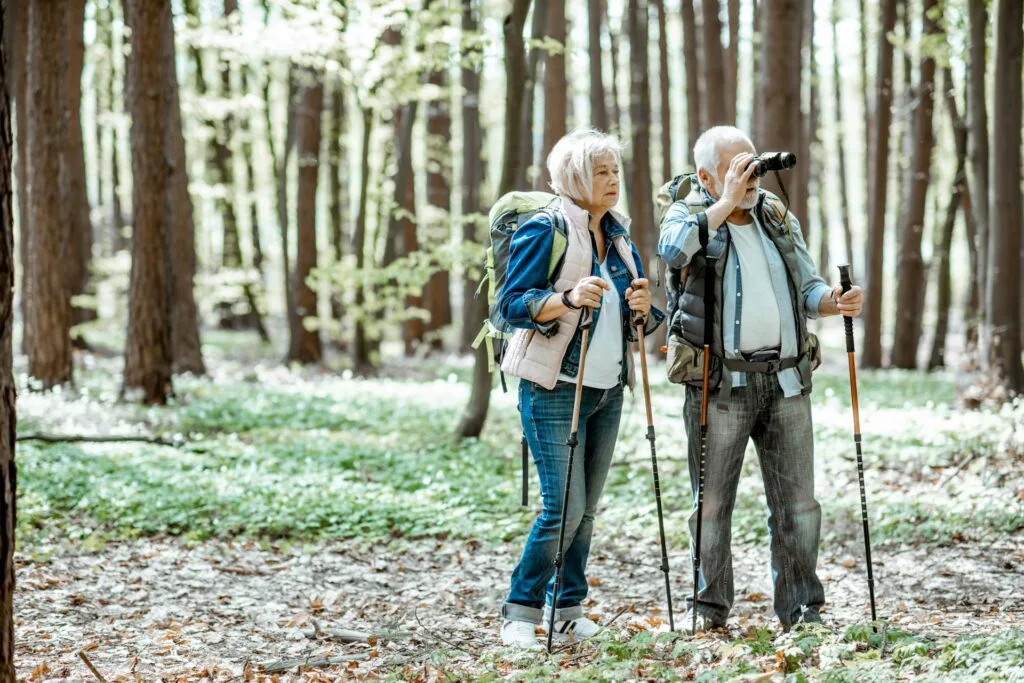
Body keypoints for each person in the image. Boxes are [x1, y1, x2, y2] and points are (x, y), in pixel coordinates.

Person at [657, 126, 864, 632]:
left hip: (787, 382)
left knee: (798, 505)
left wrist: (833, 302)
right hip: (720, 387)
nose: (751, 176)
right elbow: (673, 251)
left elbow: (808, 284)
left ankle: (801, 608)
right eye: (736, 168)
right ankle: (708, 609)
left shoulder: (775, 214)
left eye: (753, 164)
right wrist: (725, 201)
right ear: (707, 175)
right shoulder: (688, 213)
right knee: (711, 505)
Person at [497, 129, 665, 650]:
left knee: (586, 510)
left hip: (607, 389)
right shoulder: (545, 230)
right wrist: (567, 297)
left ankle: (567, 608)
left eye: (615, 170)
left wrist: (645, 310)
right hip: (553, 387)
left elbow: (639, 321)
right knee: (563, 509)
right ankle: (520, 612)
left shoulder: (618, 236)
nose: (613, 180)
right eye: (601, 172)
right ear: (574, 177)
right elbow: (512, 306)